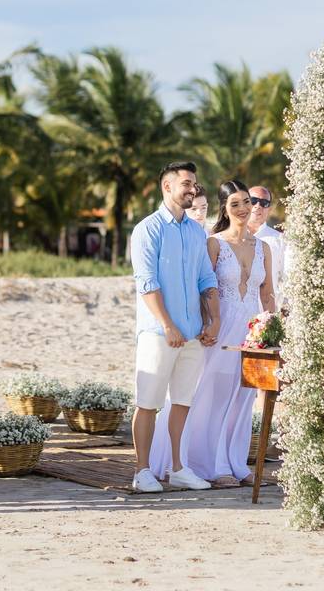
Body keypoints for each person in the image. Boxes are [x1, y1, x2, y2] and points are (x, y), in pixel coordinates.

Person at [149, 180, 276, 485]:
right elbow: (205, 288)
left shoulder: (265, 248)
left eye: (247, 202)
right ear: (224, 208)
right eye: (235, 204)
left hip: (253, 332)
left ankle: (236, 463)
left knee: (244, 398)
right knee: (211, 396)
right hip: (220, 330)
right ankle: (210, 465)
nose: (244, 209)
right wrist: (210, 323)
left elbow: (268, 293)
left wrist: (272, 327)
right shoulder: (214, 243)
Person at [129, 161, 220, 493]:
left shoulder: (197, 232)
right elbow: (147, 283)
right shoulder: (147, 229)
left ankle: (178, 468)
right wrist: (168, 325)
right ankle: (142, 470)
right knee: (148, 402)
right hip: (158, 334)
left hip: (194, 334)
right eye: (186, 183)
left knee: (182, 401)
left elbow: (206, 279)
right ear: (167, 187)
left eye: (194, 183)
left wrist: (214, 320)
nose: (192, 189)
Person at [246, 186, 285, 309]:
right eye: (253, 201)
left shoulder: (280, 240)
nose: (258, 206)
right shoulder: (228, 237)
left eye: (264, 203)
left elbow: (287, 278)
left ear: (269, 209)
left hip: (265, 315)